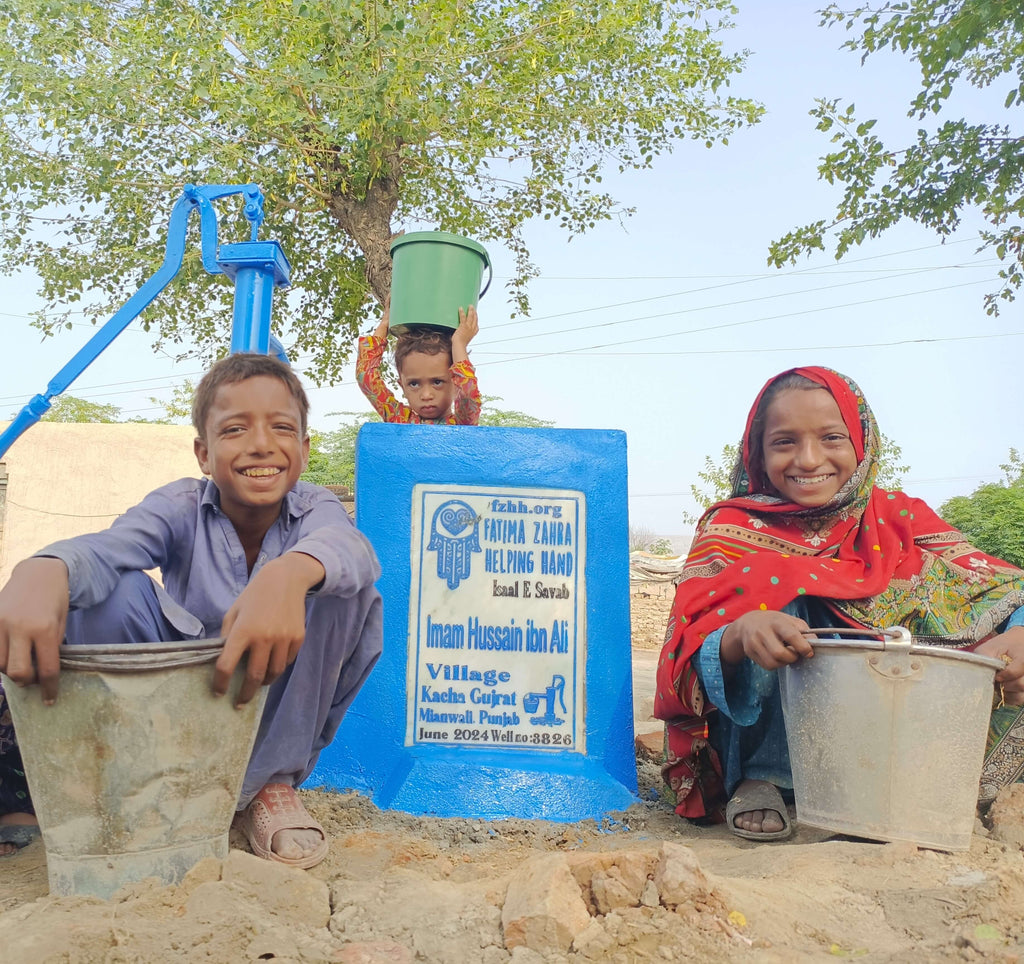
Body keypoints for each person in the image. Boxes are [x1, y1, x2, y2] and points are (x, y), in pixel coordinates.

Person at [0, 353, 383, 866]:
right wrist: (43, 568)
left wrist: (289, 574)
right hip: (178, 704)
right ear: (203, 454)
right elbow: (109, 548)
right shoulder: (179, 506)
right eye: (235, 429)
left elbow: (350, 548)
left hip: (268, 713)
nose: (262, 444)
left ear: (305, 449)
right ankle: (131, 778)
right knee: (105, 588)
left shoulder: (316, 509)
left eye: (281, 427)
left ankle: (267, 786)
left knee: (347, 587)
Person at [654, 366, 1024, 840]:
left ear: (862, 444)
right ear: (757, 452)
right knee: (774, 596)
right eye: (784, 442)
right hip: (768, 730)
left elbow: (1000, 585)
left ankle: (908, 777)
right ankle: (766, 776)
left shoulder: (900, 517)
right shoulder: (730, 528)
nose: (809, 459)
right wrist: (741, 634)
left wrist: (1017, 636)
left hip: (886, 727)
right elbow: (685, 650)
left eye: (831, 437)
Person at [356, 302, 481, 424]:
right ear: (402, 386)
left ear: (456, 382)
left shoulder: (462, 424)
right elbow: (365, 377)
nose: (426, 395)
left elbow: (468, 393)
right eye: (414, 384)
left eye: (437, 382)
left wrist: (459, 343)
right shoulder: (401, 420)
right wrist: (384, 324)